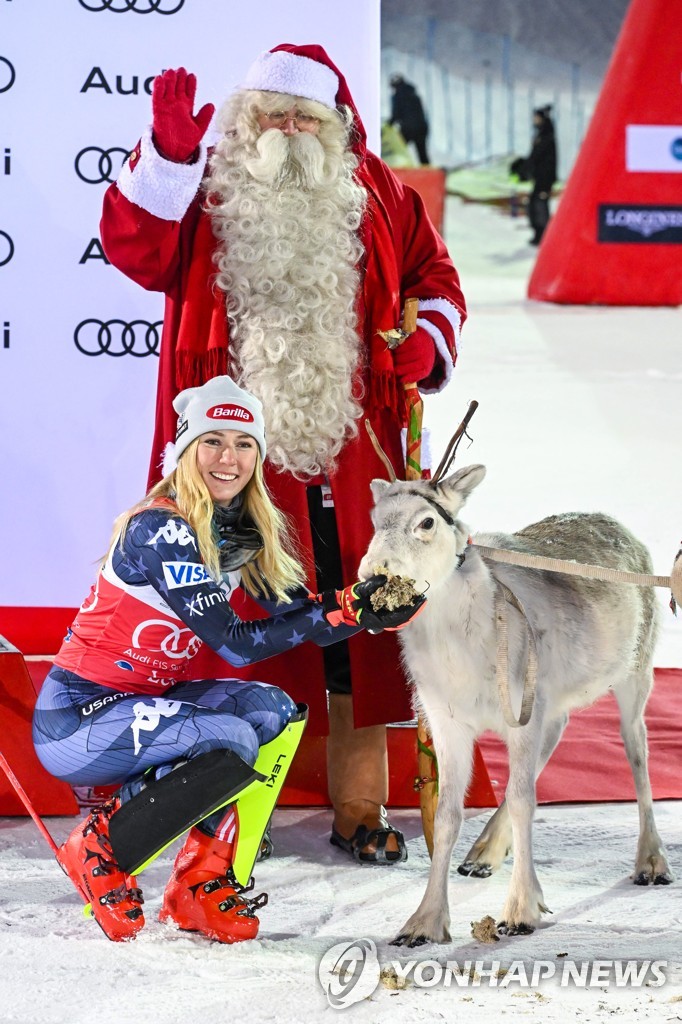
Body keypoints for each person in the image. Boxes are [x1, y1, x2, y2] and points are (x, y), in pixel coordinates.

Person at [100, 44, 466, 865]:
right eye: (272, 114)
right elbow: (136, 251)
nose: (287, 130)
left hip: (353, 462)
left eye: (304, 117)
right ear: (245, 121)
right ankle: (226, 812)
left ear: (336, 127)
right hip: (235, 469)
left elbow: (435, 280)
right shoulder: (205, 189)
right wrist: (163, 158)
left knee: (358, 635)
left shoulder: (381, 196)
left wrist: (426, 341)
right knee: (229, 629)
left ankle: (360, 806)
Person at [32, 375, 423, 943]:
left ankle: (198, 882)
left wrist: (367, 609)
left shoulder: (237, 530)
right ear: (187, 451)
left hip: (141, 703)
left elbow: (301, 616)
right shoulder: (161, 527)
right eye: (212, 441)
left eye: (244, 444)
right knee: (231, 738)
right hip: (77, 717)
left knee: (271, 711)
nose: (229, 457)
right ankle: (96, 845)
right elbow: (237, 642)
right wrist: (341, 613)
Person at [526, 104, 557, 245]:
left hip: (545, 178)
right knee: (534, 204)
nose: (534, 120)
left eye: (537, 118)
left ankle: (543, 235)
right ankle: (539, 233)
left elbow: (541, 158)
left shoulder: (546, 136)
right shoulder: (541, 134)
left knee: (539, 205)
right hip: (540, 177)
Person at [388, 73, 431, 165]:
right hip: (421, 127)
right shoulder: (413, 93)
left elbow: (396, 114)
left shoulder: (398, 96)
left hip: (408, 129)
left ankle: (396, 168)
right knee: (422, 154)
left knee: (397, 148)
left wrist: (389, 124)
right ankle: (429, 173)